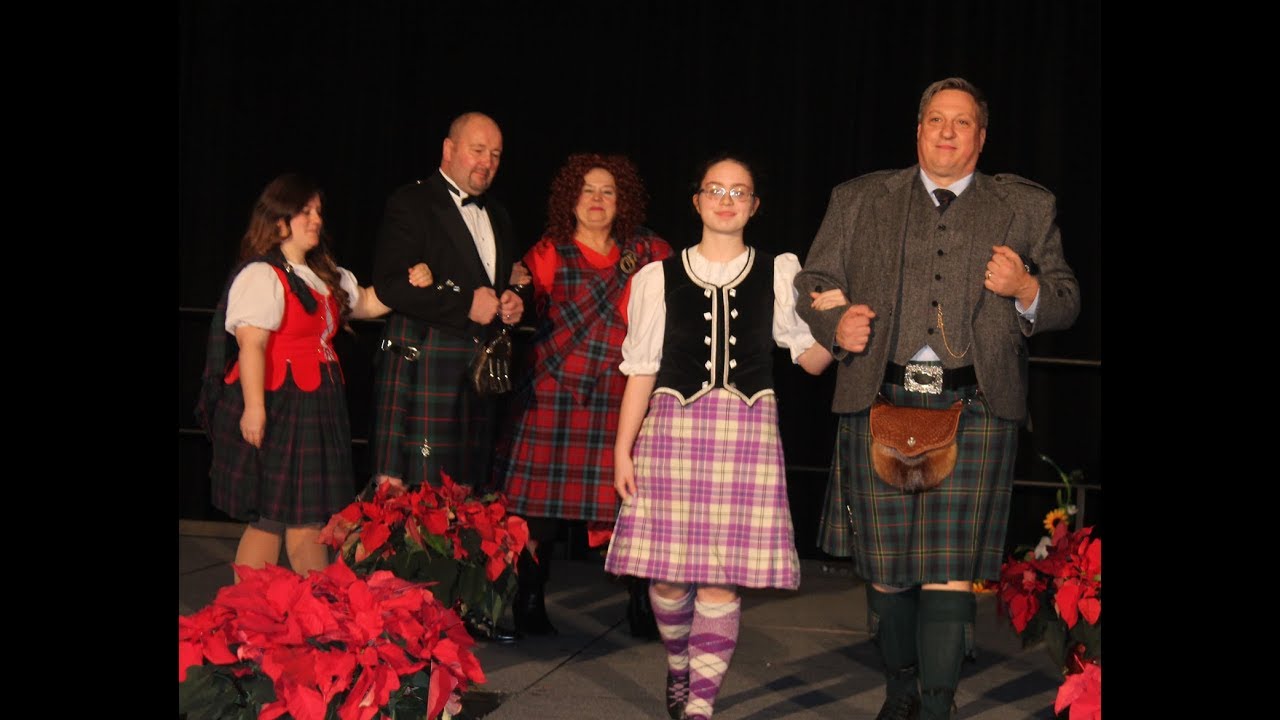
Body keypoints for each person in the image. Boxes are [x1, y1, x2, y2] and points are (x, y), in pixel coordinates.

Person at [793, 77, 1081, 720]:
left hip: (975, 405)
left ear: (981, 138)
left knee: (950, 568)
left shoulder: (1025, 208)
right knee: (889, 571)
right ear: (918, 129)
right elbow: (812, 280)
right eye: (934, 120)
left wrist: (1026, 286)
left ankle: (936, 703)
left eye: (961, 122)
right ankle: (900, 689)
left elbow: (1066, 300)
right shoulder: (861, 199)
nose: (946, 132)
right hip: (880, 397)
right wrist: (832, 324)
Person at [604, 156, 847, 720]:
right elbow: (641, 368)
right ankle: (680, 667)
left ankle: (700, 709)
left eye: (740, 191)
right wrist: (622, 448)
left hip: (746, 433)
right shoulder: (656, 278)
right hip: (672, 430)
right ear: (697, 201)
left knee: (720, 582)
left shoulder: (777, 273)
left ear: (755, 205)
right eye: (716, 188)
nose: (727, 198)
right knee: (666, 580)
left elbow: (808, 360)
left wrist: (842, 330)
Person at [200, 173, 433, 583]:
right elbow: (251, 345)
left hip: (316, 406)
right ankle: (250, 618)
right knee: (272, 517)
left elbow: (370, 302)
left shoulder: (322, 275)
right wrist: (254, 410)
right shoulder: (262, 275)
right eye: (304, 212)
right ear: (278, 221)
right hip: (281, 403)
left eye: (318, 212)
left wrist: (412, 281)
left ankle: (313, 617)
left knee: (309, 518)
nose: (315, 220)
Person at [497, 153, 673, 639]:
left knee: (631, 502)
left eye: (608, 192)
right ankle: (529, 599)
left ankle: (642, 602)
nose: (596, 200)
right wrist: (512, 289)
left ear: (623, 202)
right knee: (535, 510)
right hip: (554, 393)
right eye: (587, 191)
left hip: (619, 393)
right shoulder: (549, 252)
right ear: (570, 199)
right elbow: (519, 292)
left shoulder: (648, 252)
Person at [368, 111, 527, 642]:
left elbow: (495, 284)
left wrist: (509, 298)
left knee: (471, 495)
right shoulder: (411, 201)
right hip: (428, 362)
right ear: (449, 149)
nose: (487, 163)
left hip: (478, 377)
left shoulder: (499, 215)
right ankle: (410, 620)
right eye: (478, 150)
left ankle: (462, 615)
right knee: (423, 497)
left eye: (496, 154)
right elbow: (390, 285)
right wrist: (465, 304)